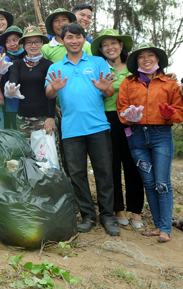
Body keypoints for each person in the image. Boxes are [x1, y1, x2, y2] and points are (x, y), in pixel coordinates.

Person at [45, 23, 119, 236]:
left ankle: (107, 215)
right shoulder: (55, 67)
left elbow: (110, 91)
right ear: (63, 40)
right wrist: (54, 88)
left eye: (78, 37)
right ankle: (88, 215)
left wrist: (106, 89)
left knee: (104, 173)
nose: (74, 41)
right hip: (71, 130)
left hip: (98, 127)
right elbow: (49, 93)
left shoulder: (97, 62)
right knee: (76, 174)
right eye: (69, 37)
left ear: (84, 39)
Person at [117, 42, 183, 243]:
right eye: (141, 56)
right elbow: (122, 108)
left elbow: (178, 111)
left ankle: (165, 229)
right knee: (148, 182)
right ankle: (157, 225)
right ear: (135, 61)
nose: (146, 60)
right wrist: (130, 116)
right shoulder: (128, 83)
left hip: (160, 135)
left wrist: (168, 116)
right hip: (136, 136)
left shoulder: (170, 84)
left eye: (150, 55)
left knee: (162, 183)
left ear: (157, 59)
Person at [90, 29, 144, 229]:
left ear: (121, 46)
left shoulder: (134, 68)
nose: (110, 47)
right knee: (111, 165)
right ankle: (118, 209)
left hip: (132, 121)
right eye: (105, 45)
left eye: (114, 43)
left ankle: (136, 211)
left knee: (133, 165)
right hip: (107, 119)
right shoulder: (99, 69)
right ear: (101, 50)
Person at [5, 26, 56, 140]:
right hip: (23, 118)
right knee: (26, 154)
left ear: (42, 43)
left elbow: (52, 92)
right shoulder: (17, 64)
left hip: (44, 117)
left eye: (37, 42)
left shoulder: (49, 65)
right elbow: (13, 79)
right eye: (29, 42)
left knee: (46, 154)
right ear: (24, 45)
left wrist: (50, 116)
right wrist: (10, 88)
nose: (33, 46)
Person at [0, 26, 24, 130]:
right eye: (7, 41)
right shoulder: (4, 60)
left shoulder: (30, 57)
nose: (12, 44)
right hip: (12, 105)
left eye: (15, 40)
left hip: (32, 104)